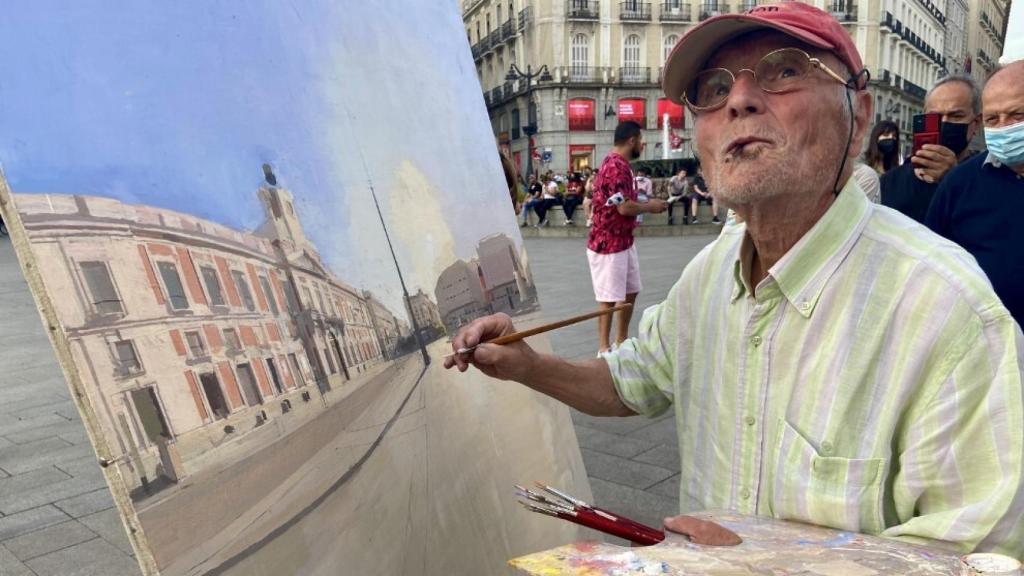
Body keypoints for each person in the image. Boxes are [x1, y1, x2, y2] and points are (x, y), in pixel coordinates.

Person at [447, 2, 1024, 556]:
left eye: (785, 72)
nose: (740, 100)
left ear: (861, 115)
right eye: (714, 90)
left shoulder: (948, 312)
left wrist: (777, 557)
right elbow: (634, 381)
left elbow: (978, 557)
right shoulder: (706, 279)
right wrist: (530, 366)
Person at [926, 61, 1024, 327]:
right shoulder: (959, 184)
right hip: (984, 353)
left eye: (1016, 115)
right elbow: (931, 267)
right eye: (993, 119)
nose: (1004, 127)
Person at [584, 121, 667, 355]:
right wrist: (650, 206)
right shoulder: (615, 167)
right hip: (608, 244)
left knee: (631, 291)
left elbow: (623, 204)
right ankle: (603, 349)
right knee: (608, 299)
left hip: (622, 241)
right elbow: (624, 208)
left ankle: (621, 342)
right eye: (640, 140)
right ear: (632, 140)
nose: (642, 144)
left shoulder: (620, 165)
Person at [880, 74, 982, 223]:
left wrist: (954, 179)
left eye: (956, 116)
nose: (945, 122)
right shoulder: (892, 181)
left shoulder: (987, 182)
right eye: (935, 117)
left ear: (976, 123)